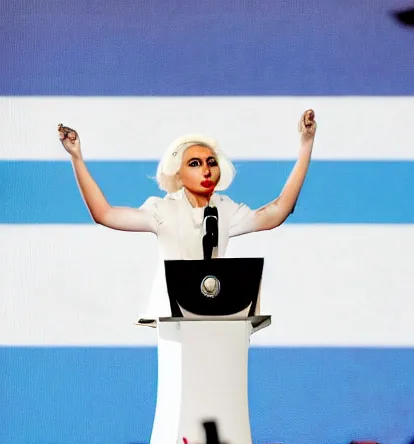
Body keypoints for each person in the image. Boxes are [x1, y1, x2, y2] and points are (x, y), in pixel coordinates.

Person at [57, 109, 317, 322]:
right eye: (195, 163)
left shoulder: (225, 209)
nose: (206, 170)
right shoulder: (161, 210)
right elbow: (104, 214)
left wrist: (306, 145)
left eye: (211, 162)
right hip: (173, 319)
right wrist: (76, 158)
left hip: (219, 318)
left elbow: (279, 210)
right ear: (177, 174)